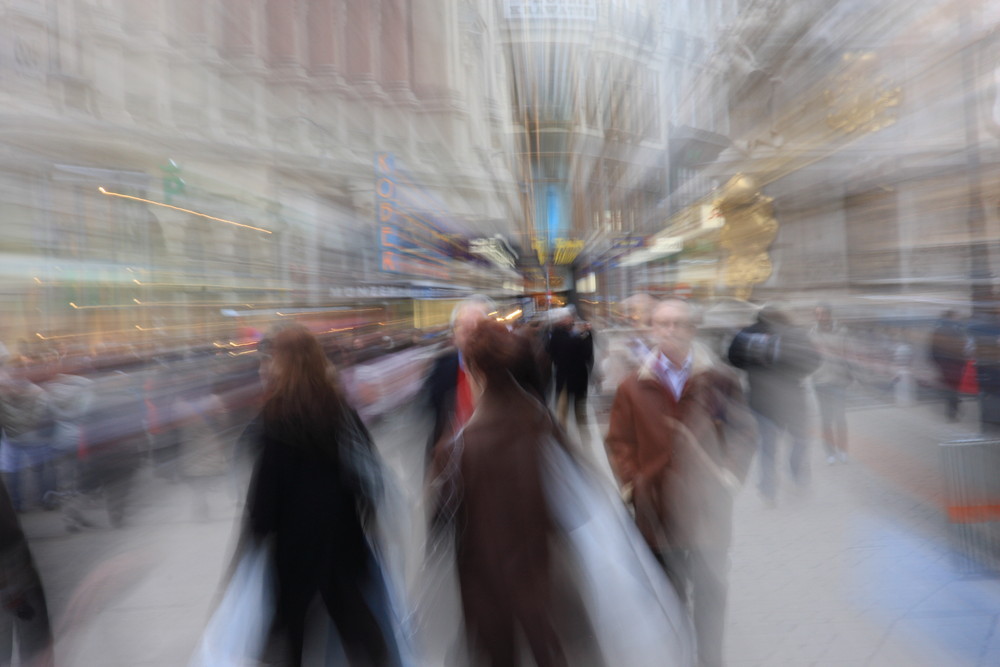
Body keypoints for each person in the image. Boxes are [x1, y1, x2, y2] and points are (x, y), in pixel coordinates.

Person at [605, 298, 757, 667]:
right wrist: (632, 483)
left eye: (678, 324)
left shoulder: (720, 380)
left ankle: (709, 660)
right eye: (662, 324)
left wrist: (728, 476)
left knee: (709, 595)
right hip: (655, 511)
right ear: (651, 330)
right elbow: (618, 441)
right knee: (668, 599)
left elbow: (744, 432)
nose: (670, 331)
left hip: (708, 509)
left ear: (692, 329)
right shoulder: (632, 387)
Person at [243, 325, 397, 666]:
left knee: (289, 636)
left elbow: (264, 500)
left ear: (281, 364)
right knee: (360, 629)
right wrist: (367, 520)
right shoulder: (339, 410)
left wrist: (252, 542)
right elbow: (366, 473)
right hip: (342, 540)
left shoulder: (275, 419)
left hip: (295, 550)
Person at [728, 306, 820, 506]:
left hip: (760, 400)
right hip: (792, 399)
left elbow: (732, 358)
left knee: (767, 449)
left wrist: (754, 369)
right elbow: (814, 361)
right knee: (800, 441)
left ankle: (768, 492)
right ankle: (797, 478)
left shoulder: (746, 334)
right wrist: (793, 373)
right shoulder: (796, 333)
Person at [422, 296, 494, 465]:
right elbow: (436, 422)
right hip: (455, 465)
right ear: (454, 331)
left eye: (477, 325)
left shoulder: (506, 368)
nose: (468, 330)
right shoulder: (441, 368)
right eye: (462, 324)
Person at [810, 304, 853, 463]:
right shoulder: (811, 334)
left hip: (838, 380)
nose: (821, 317)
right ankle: (830, 453)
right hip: (820, 381)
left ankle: (843, 451)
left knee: (840, 417)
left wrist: (850, 375)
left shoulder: (842, 332)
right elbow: (808, 357)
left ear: (829, 315)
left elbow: (849, 354)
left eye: (824, 314)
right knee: (826, 419)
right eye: (818, 314)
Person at [547, 307, 594, 432]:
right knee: (562, 413)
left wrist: (586, 335)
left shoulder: (572, 334)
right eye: (568, 317)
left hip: (578, 380)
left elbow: (587, 354)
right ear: (561, 320)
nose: (571, 319)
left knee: (580, 412)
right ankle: (562, 438)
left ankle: (584, 438)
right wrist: (583, 334)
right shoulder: (557, 335)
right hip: (565, 381)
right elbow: (569, 348)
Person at [930, 309, 969, 422]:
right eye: (956, 316)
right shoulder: (958, 331)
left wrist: (938, 363)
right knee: (953, 388)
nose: (958, 318)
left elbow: (932, 350)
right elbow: (963, 347)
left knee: (951, 387)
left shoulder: (938, 330)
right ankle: (953, 410)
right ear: (951, 317)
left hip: (946, 364)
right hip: (954, 363)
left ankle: (952, 409)